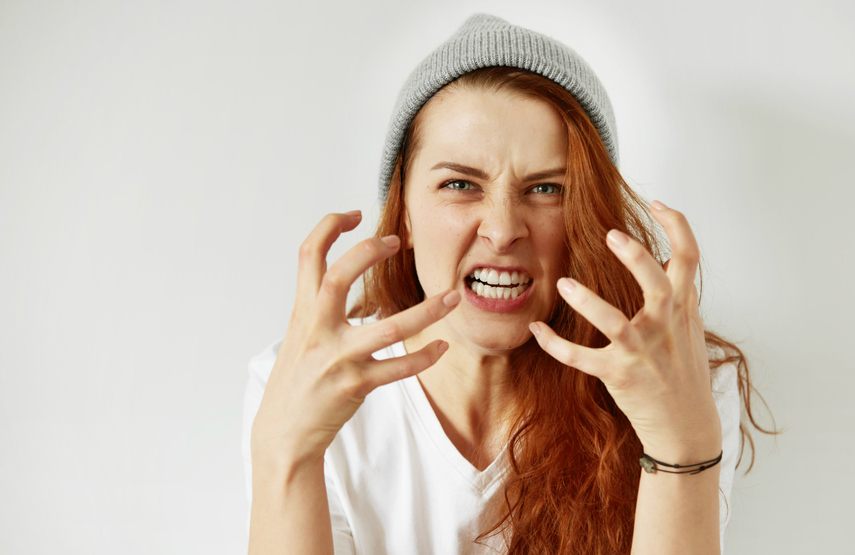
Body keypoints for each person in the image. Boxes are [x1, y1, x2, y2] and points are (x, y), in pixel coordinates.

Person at [243, 12, 775, 555]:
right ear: (403, 210)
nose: (502, 231)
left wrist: (680, 446)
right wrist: (285, 453)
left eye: (546, 189)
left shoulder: (681, 380)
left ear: (589, 215)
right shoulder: (303, 382)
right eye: (459, 184)